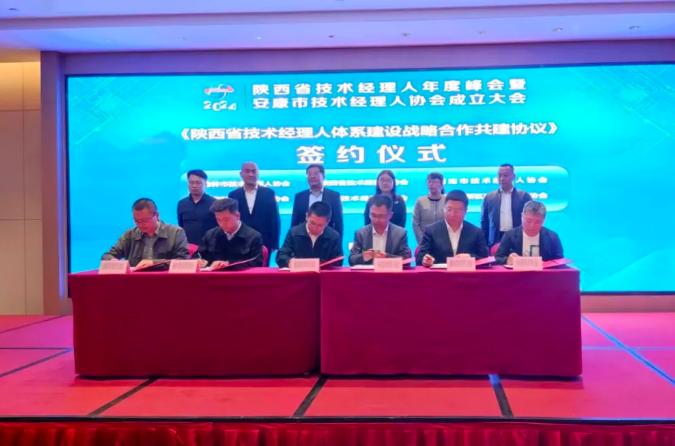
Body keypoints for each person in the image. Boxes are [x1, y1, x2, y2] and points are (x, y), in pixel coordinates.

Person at [102, 198, 189, 267]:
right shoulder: (130, 234)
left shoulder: (176, 232)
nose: (140, 225)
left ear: (157, 215)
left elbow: (183, 261)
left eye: (145, 220)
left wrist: (154, 263)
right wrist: (114, 262)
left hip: (165, 280)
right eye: (136, 221)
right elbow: (107, 256)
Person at [416, 190, 489, 266]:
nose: (452, 214)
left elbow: (485, 259)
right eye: (449, 209)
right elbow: (420, 258)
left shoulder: (476, 232)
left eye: (458, 210)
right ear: (444, 208)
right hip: (439, 273)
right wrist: (425, 260)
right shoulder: (431, 231)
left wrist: (470, 257)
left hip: (465, 272)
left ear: (465, 211)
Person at [228, 161, 281, 253]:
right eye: (247, 171)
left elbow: (274, 219)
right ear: (241, 174)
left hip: (264, 242)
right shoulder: (233, 195)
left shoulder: (268, 193)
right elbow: (231, 219)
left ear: (258, 174)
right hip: (239, 241)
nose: (251, 174)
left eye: (254, 171)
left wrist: (274, 244)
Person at [198, 198, 263, 269]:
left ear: (237, 216)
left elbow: (257, 262)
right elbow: (199, 255)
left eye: (226, 219)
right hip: (213, 275)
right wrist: (199, 261)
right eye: (218, 220)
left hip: (240, 275)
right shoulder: (210, 235)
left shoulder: (253, 237)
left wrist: (229, 263)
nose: (222, 224)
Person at [349, 195, 411, 266]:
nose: (376, 220)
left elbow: (406, 260)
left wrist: (386, 257)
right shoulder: (361, 233)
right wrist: (363, 257)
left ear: (390, 215)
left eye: (381, 216)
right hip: (368, 272)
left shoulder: (400, 233)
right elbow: (351, 259)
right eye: (373, 215)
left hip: (391, 272)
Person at [277, 201, 343, 268]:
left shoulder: (334, 237)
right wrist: (289, 262)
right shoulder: (294, 233)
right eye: (312, 223)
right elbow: (281, 256)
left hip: (323, 273)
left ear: (327, 222)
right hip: (299, 273)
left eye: (320, 225)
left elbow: (338, 261)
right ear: (307, 217)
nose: (315, 228)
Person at [481, 164, 532, 248]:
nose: (502, 178)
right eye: (499, 175)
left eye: (505, 175)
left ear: (513, 177)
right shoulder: (489, 197)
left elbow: (530, 219)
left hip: (518, 238)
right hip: (495, 240)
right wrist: (484, 244)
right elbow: (484, 222)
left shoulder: (524, 196)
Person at [495, 201, 563, 265]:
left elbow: (560, 260)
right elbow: (498, 258)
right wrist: (507, 260)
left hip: (544, 273)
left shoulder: (552, 237)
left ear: (543, 220)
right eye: (528, 221)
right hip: (517, 273)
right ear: (522, 216)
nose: (532, 226)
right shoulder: (509, 235)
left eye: (537, 222)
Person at [291, 164, 343, 240]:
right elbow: (294, 222)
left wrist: (338, 242)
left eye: (315, 173)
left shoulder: (334, 196)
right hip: (303, 240)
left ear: (323, 176)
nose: (312, 176)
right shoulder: (300, 197)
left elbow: (338, 223)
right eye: (309, 174)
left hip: (327, 240)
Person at [177, 169, 217, 245]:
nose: (194, 186)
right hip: (188, 247)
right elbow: (181, 226)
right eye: (191, 182)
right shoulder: (182, 204)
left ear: (206, 184)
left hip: (209, 247)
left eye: (198, 183)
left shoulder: (214, 203)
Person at [412, 172, 446, 244]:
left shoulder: (447, 201)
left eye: (434, 182)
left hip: (444, 241)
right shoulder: (420, 201)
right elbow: (415, 223)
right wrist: (423, 241)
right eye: (429, 182)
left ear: (442, 184)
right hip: (425, 242)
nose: (431, 184)